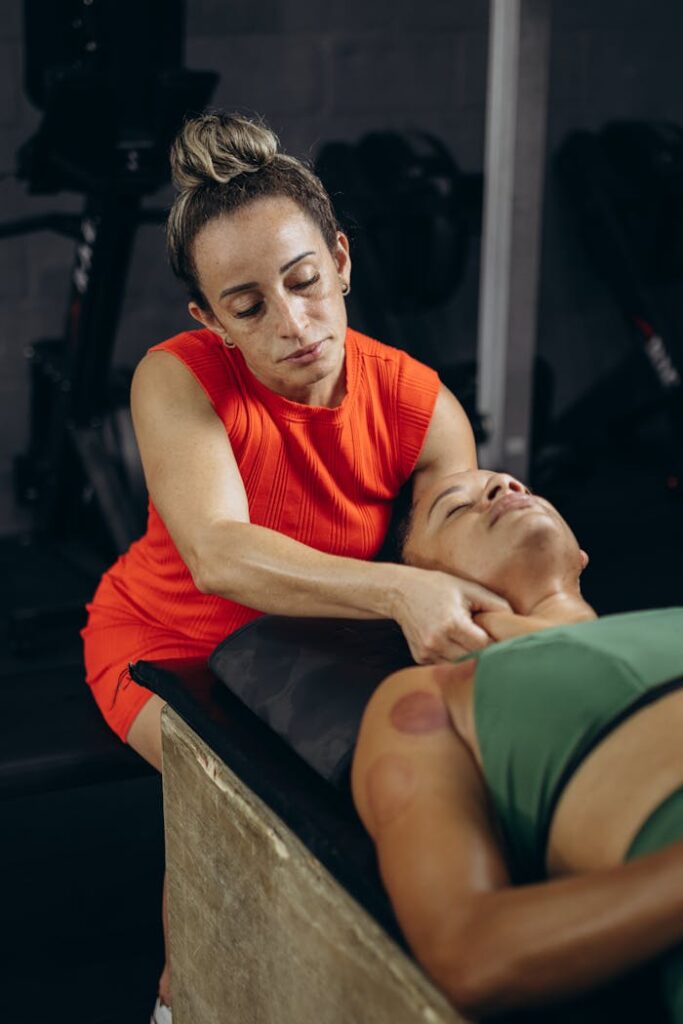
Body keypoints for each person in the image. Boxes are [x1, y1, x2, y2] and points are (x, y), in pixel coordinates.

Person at [81, 113, 508, 1021]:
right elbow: (218, 554)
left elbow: (462, 569)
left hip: (312, 656)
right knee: (239, 793)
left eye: (305, 281)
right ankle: (176, 1001)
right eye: (247, 307)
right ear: (209, 320)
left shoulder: (421, 407)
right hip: (167, 646)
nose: (293, 322)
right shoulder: (176, 376)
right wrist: (399, 587)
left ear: (341, 261)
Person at [352, 469, 683, 1021]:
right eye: (457, 509)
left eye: (519, 488)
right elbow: (467, 950)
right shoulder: (427, 698)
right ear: (418, 586)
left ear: (580, 554)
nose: (504, 489)